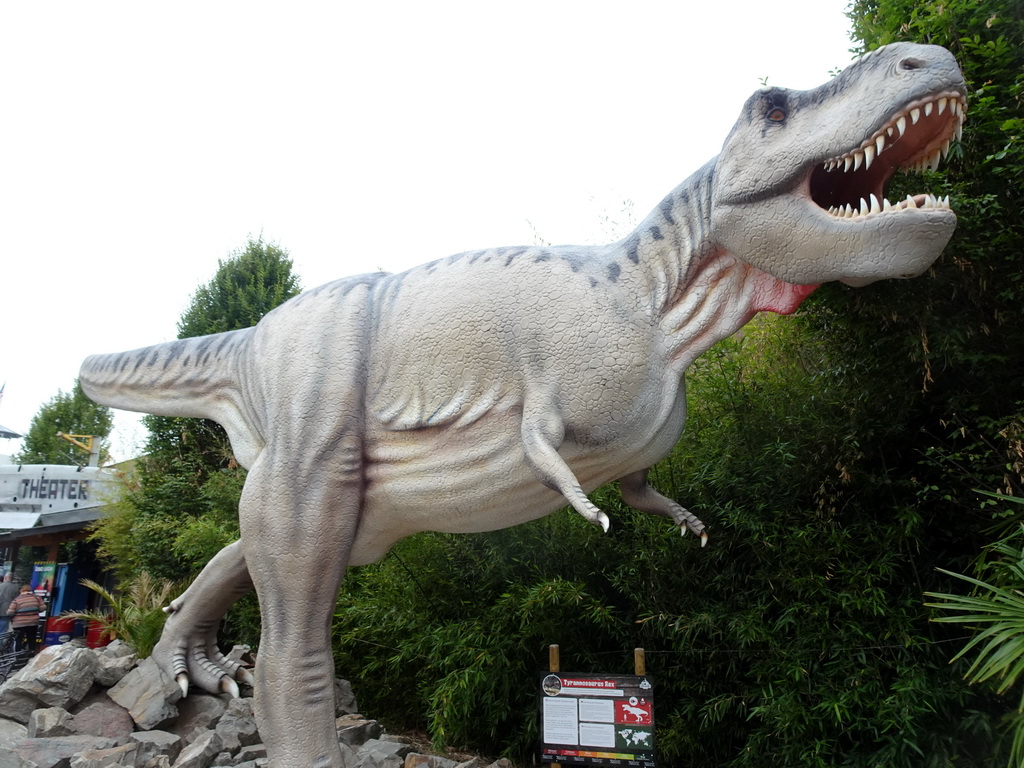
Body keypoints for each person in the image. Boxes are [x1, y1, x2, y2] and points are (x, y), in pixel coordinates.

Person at [8, 584, 45, 652]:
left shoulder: (17, 599)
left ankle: (17, 655)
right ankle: (31, 654)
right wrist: (35, 610)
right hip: (33, 622)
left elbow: (10, 612)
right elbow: (43, 607)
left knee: (18, 639)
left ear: (21, 590)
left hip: (19, 623)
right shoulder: (37, 598)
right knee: (31, 639)